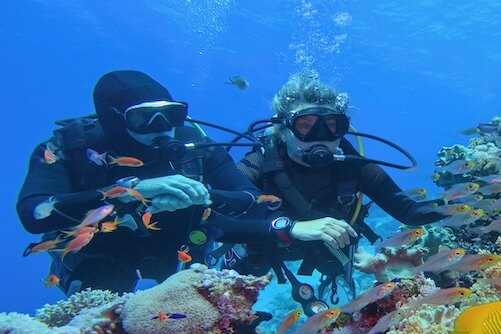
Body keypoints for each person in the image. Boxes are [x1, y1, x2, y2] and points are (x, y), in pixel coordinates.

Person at [17, 70, 271, 294]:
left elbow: (253, 201)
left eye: (171, 114)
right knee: (104, 316)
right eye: (142, 118)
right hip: (101, 256)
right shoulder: (72, 147)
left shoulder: (195, 145)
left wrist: (201, 195)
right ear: (114, 118)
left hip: (179, 253)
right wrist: (127, 192)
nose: (161, 127)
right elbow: (32, 213)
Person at [233, 72, 445, 315]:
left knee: (334, 264)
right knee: (242, 273)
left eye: (331, 126)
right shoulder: (257, 164)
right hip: (268, 245)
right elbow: (223, 218)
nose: (320, 138)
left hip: (327, 248)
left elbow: (409, 212)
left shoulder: (352, 166)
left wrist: (465, 203)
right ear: (282, 129)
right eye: (305, 126)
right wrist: (290, 227)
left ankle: (333, 283)